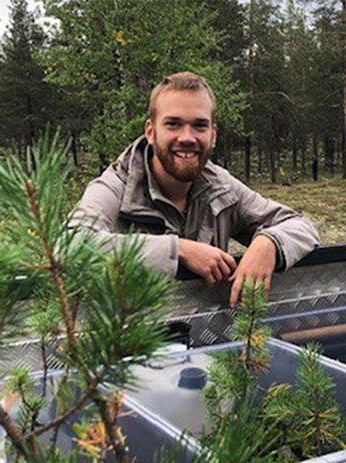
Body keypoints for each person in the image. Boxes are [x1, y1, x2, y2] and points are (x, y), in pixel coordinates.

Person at [70, 72, 319, 307]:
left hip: (206, 339)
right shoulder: (116, 186)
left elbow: (301, 226)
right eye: (173, 124)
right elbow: (71, 247)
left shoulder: (221, 186)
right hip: (128, 340)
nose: (187, 137)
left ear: (213, 134)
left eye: (199, 126)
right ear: (150, 131)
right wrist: (178, 250)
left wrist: (268, 243)